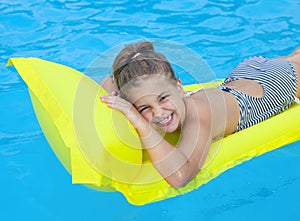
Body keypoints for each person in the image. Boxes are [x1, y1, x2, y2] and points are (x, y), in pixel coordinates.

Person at [100, 41, 300, 188]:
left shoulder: (199, 116)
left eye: (162, 98)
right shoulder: (171, 100)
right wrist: (122, 98)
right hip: (244, 74)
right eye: (144, 108)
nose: (159, 113)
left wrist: (141, 123)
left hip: (277, 83)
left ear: (179, 87)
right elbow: (107, 81)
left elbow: (180, 177)